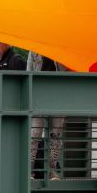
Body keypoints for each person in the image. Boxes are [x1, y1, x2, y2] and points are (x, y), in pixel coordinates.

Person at [27, 52, 67, 181]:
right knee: (34, 133)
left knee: (55, 135)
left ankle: (51, 170)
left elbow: (65, 70)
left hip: (58, 95)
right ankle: (29, 171)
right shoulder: (34, 50)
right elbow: (28, 72)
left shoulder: (62, 48)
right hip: (38, 96)